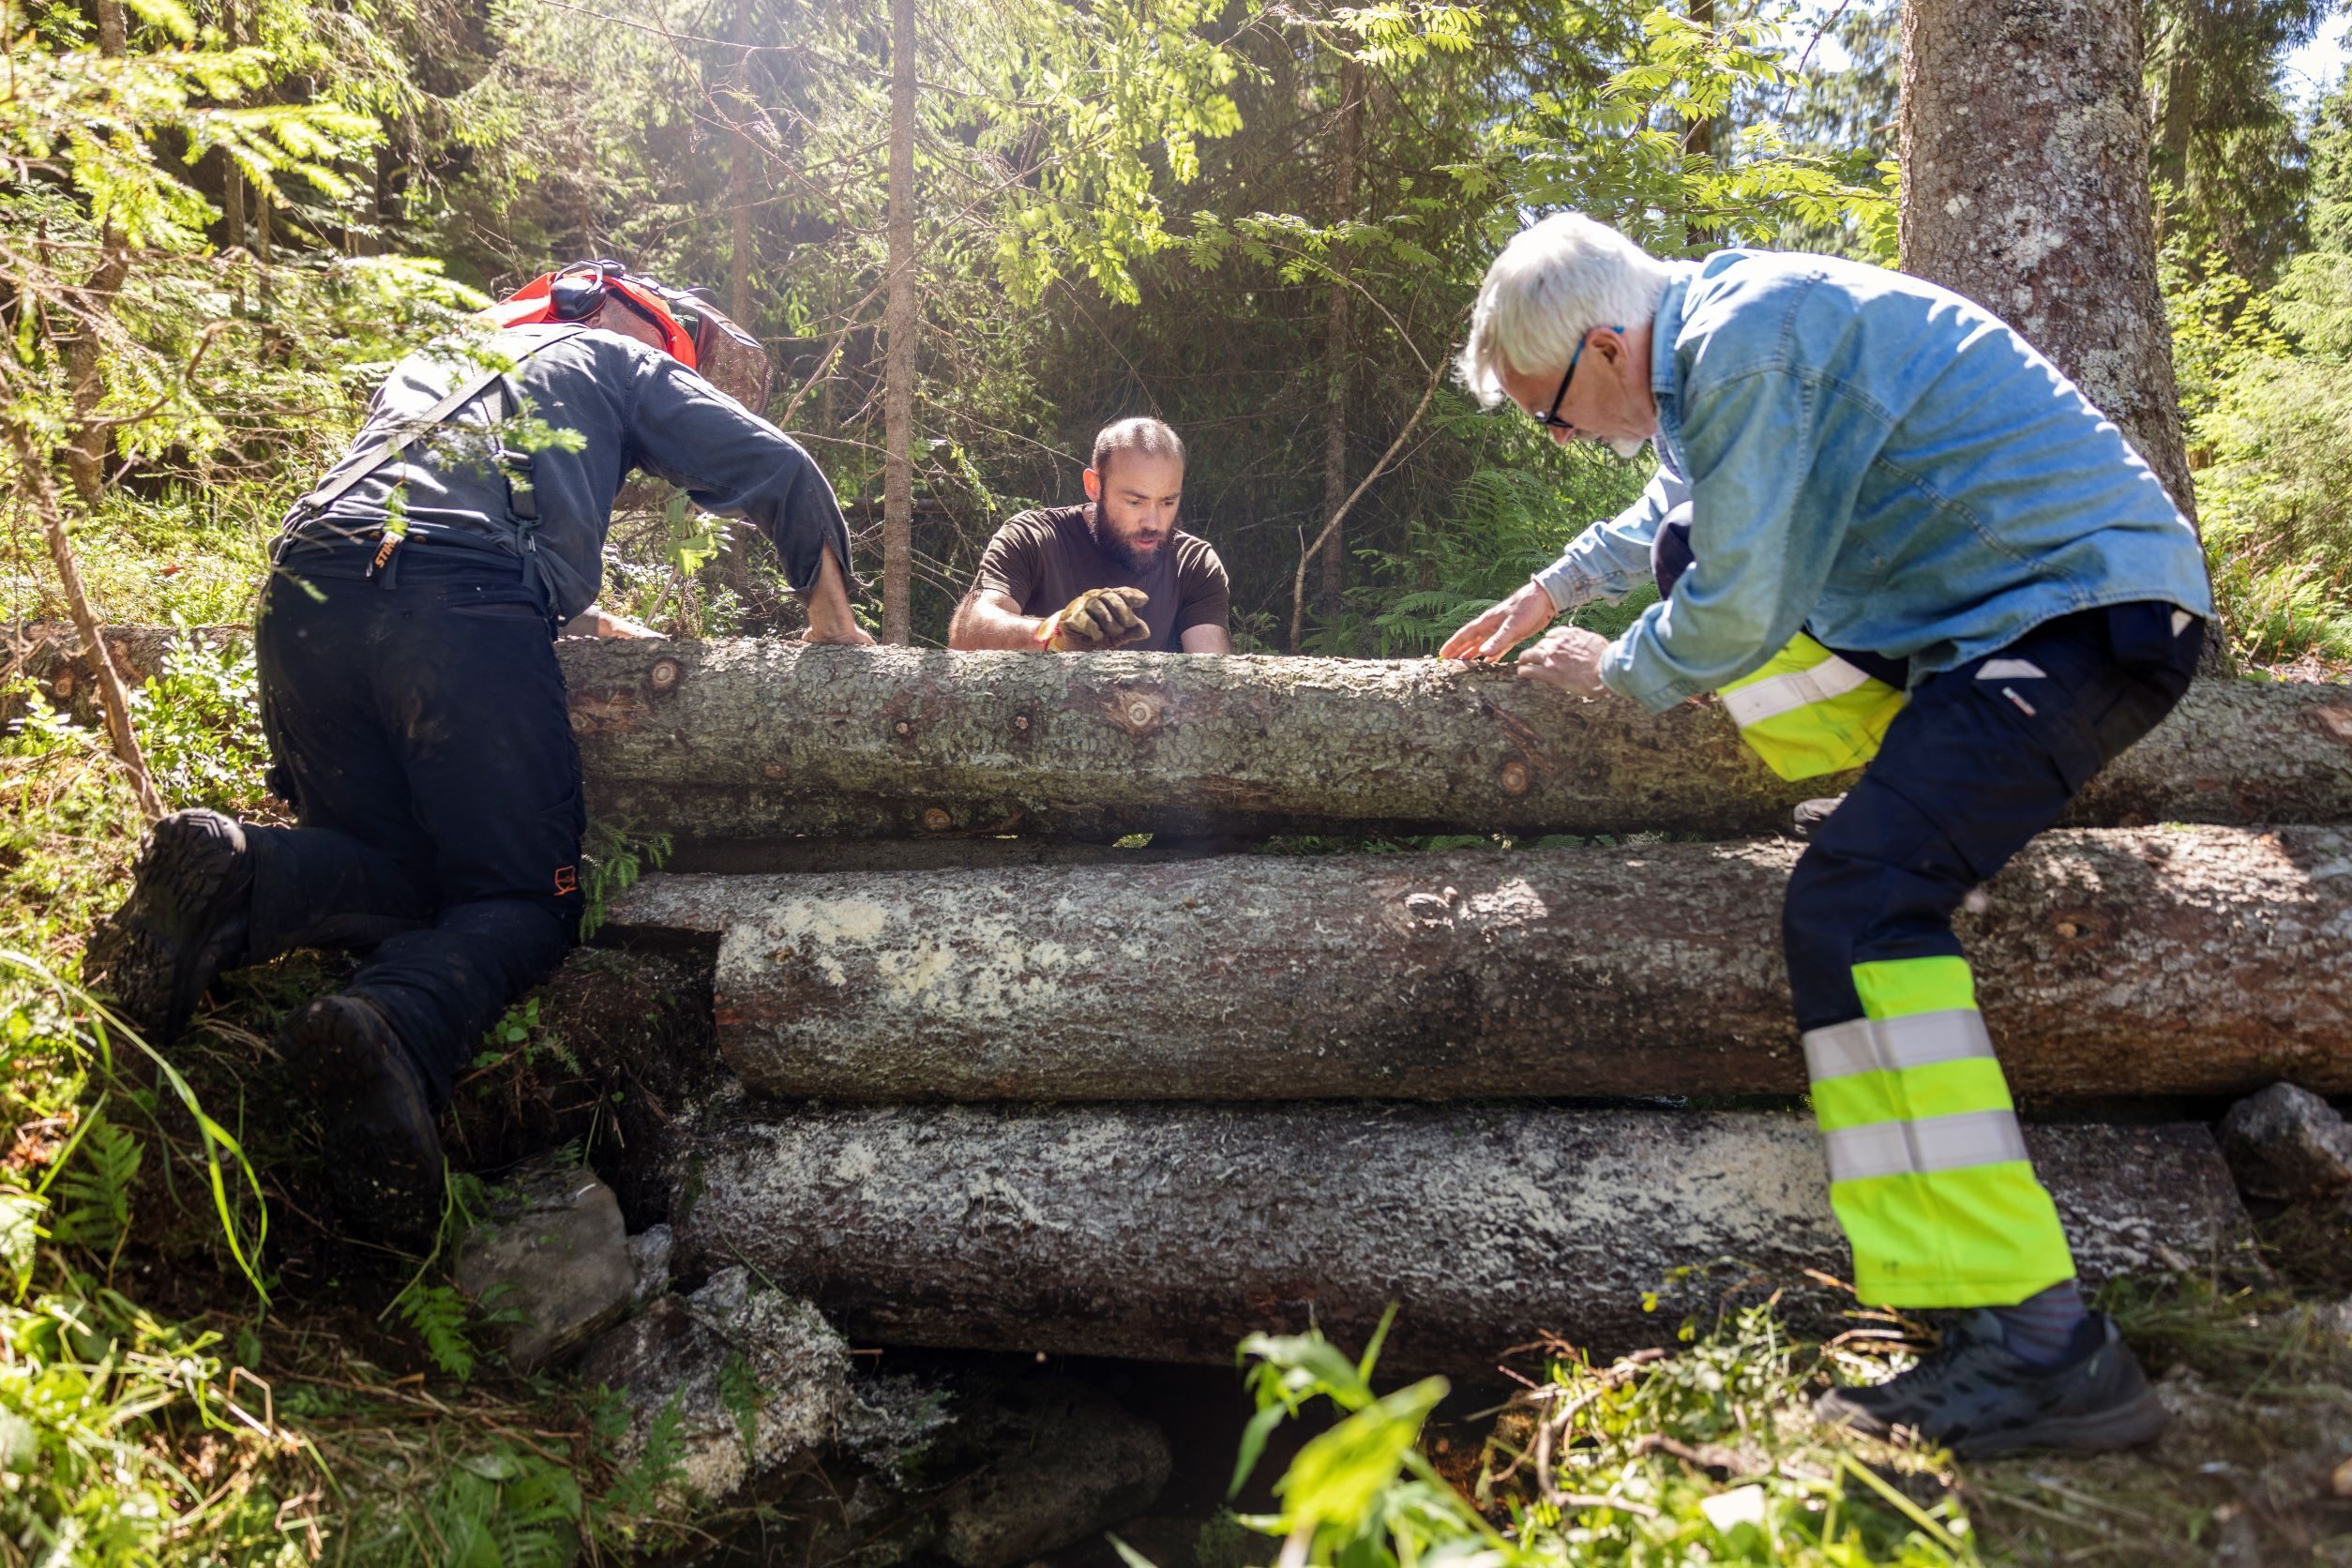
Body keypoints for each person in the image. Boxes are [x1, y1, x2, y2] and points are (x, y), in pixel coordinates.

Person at [1441, 214, 2211, 1457]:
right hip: (2000, 629)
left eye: (1555, 410)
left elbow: (1742, 600)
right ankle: (1880, 799)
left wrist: (1613, 667)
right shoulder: (1721, 346)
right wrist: (1552, 590)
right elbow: (1677, 516)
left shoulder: (1753, 340)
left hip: (2081, 620)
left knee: (1853, 913)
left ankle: (2040, 1345)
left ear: (1604, 343)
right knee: (1695, 548)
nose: (1564, 437)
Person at [88, 261, 874, 1243]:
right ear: (643, 327)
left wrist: (606, 628)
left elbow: (443, 518)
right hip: (454, 605)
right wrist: (834, 625)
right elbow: (780, 468)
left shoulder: (440, 358)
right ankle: (393, 1024)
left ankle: (237, 874)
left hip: (304, 589)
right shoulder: (617, 358)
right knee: (518, 898)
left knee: (392, 866)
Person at [949, 416, 1232, 654]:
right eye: (1135, 502)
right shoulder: (1032, 537)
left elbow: (1212, 676)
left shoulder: (1193, 563)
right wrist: (1058, 632)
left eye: (1168, 502)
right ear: (1094, 486)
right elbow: (967, 632)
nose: (1153, 522)